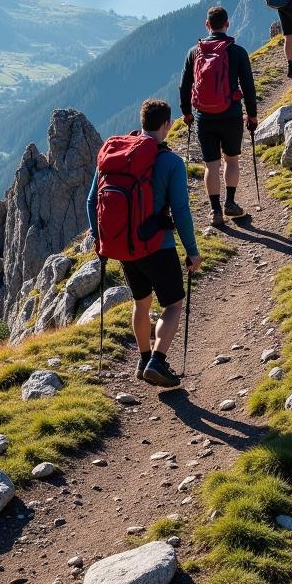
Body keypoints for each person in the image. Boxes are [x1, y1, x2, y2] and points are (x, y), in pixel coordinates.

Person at [86, 98, 203, 389]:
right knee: (174, 304)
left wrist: (98, 237)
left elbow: (91, 201)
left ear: (141, 122)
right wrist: (192, 251)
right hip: (157, 246)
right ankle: (158, 361)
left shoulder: (113, 154)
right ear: (167, 125)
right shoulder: (172, 162)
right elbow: (181, 211)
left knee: (141, 302)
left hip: (124, 247)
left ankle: (143, 358)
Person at [180, 5, 258, 227]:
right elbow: (249, 88)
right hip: (231, 115)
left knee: (211, 165)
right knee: (231, 160)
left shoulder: (194, 52)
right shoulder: (238, 52)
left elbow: (184, 86)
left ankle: (215, 211)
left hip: (204, 117)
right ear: (227, 25)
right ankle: (230, 203)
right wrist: (252, 116)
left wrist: (187, 113)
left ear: (207, 25)